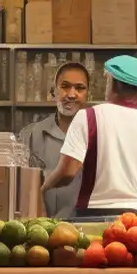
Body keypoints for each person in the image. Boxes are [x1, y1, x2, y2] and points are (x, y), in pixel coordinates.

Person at [43, 55, 137, 217]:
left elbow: (67, 172)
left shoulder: (88, 117)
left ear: (112, 82)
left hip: (92, 216)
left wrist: (44, 187)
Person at [19, 61, 90, 219]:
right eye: (65, 86)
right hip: (38, 228)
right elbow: (19, 187)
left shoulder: (96, 136)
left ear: (87, 95)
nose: (71, 94)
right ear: (53, 92)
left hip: (83, 229)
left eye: (80, 88)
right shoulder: (30, 135)